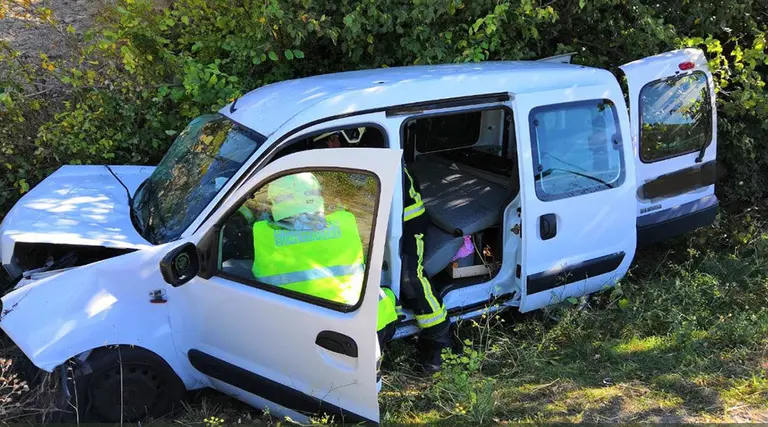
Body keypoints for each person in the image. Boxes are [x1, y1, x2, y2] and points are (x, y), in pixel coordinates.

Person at [248, 172, 400, 348]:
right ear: (317, 196)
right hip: (368, 327)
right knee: (387, 293)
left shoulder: (261, 233)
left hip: (299, 333)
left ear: (275, 201)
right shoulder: (346, 221)